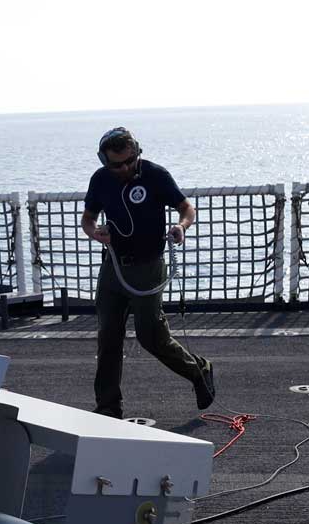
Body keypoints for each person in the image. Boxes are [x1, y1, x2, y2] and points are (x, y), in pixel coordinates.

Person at [82, 127, 216, 418]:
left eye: (130, 160)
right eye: (116, 164)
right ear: (104, 161)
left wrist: (181, 226)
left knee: (151, 337)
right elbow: (88, 220)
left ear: (137, 152)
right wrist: (96, 234)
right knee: (108, 337)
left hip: (149, 268)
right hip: (114, 268)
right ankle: (108, 406)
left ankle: (198, 370)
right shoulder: (100, 180)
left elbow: (186, 208)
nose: (125, 168)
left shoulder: (155, 175)